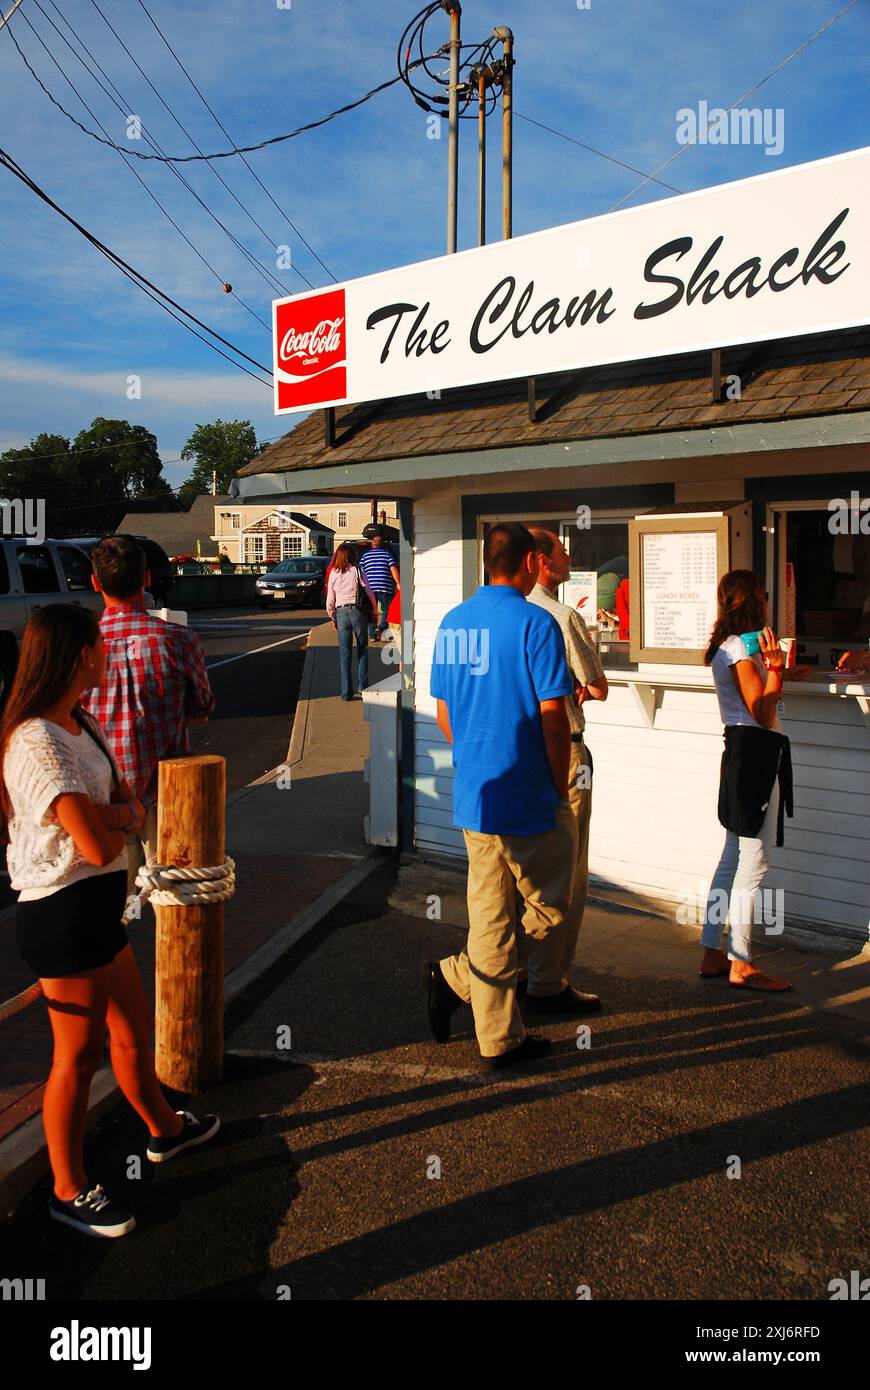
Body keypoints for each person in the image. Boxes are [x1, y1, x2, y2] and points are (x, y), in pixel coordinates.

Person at [0, 605, 219, 1238]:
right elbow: (99, 840)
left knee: (129, 1031)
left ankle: (165, 1130)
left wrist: (117, 815)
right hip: (60, 913)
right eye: (98, 647)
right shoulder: (36, 740)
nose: (106, 654)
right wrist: (122, 820)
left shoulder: (81, 722)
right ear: (78, 656)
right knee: (74, 1057)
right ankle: (67, 1190)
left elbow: (120, 799)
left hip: (94, 907)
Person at [424, 522, 578, 1067]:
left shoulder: (453, 622)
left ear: (488, 561)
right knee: (553, 903)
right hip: (529, 789)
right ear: (529, 561)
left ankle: (496, 1034)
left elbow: (444, 713)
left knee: (491, 914)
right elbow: (554, 720)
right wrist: (559, 787)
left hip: (474, 792)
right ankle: (460, 976)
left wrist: (473, 748)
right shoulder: (536, 623)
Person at [81, 536, 215, 903]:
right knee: (174, 901)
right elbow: (202, 709)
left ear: (96, 583)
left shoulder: (81, 647)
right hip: (164, 793)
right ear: (146, 580)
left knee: (110, 911)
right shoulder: (177, 639)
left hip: (102, 800)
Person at [523, 528, 608, 1013]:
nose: (569, 555)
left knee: (524, 874)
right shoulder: (561, 616)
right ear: (539, 561)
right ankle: (546, 981)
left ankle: (503, 974)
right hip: (567, 753)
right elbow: (597, 687)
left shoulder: (503, 617)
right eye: (560, 550)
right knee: (568, 874)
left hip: (518, 753)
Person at [699, 570, 794, 992]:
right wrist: (775, 668)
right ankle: (741, 963)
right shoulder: (740, 648)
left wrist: (778, 672)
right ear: (754, 600)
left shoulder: (731, 645)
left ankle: (711, 952)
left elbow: (757, 699)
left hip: (740, 753)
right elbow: (760, 710)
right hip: (755, 755)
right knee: (753, 863)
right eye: (764, 595)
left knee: (732, 856)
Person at [326, 543, 376, 701]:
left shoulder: (333, 573)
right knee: (362, 649)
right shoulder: (357, 570)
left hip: (341, 612)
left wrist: (332, 616)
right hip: (357, 611)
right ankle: (362, 686)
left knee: (344, 654)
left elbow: (330, 599)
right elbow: (368, 591)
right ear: (352, 556)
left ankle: (346, 692)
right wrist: (374, 610)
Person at [358, 529, 400, 641]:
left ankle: (371, 634)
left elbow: (361, 571)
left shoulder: (365, 556)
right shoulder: (387, 554)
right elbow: (393, 569)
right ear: (382, 545)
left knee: (371, 610)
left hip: (369, 587)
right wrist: (398, 583)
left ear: (372, 545)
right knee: (387, 609)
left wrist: (361, 586)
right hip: (384, 586)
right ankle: (381, 628)